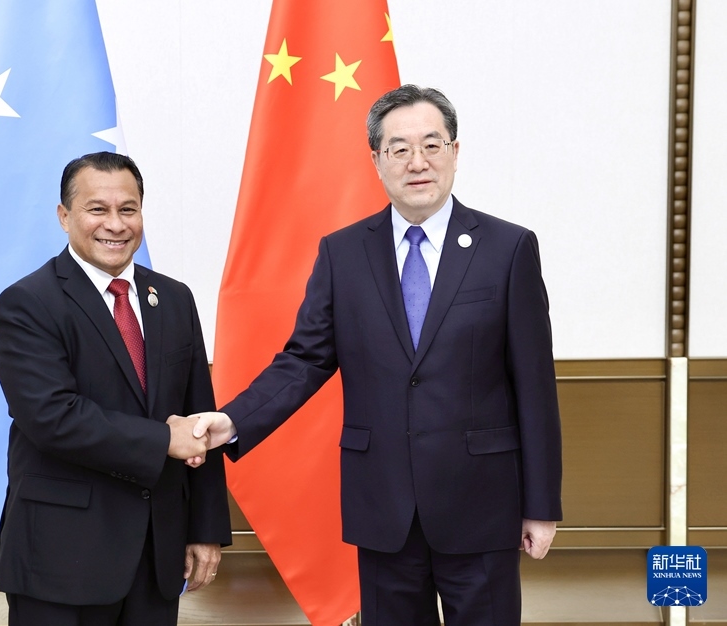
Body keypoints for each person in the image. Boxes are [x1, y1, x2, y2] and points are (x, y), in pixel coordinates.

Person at [193, 85, 562, 625]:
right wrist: (232, 421)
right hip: (384, 508)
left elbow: (535, 385)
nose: (418, 162)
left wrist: (541, 506)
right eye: (399, 149)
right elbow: (304, 360)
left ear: (455, 152)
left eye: (432, 145)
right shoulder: (343, 253)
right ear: (376, 160)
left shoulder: (508, 249)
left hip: (482, 505)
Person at [0, 151, 232, 626]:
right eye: (97, 209)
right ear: (64, 216)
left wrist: (205, 529)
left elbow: (198, 415)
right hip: (61, 556)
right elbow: (52, 418)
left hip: (157, 553)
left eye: (128, 209)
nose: (116, 225)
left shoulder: (174, 298)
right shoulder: (28, 303)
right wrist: (164, 440)